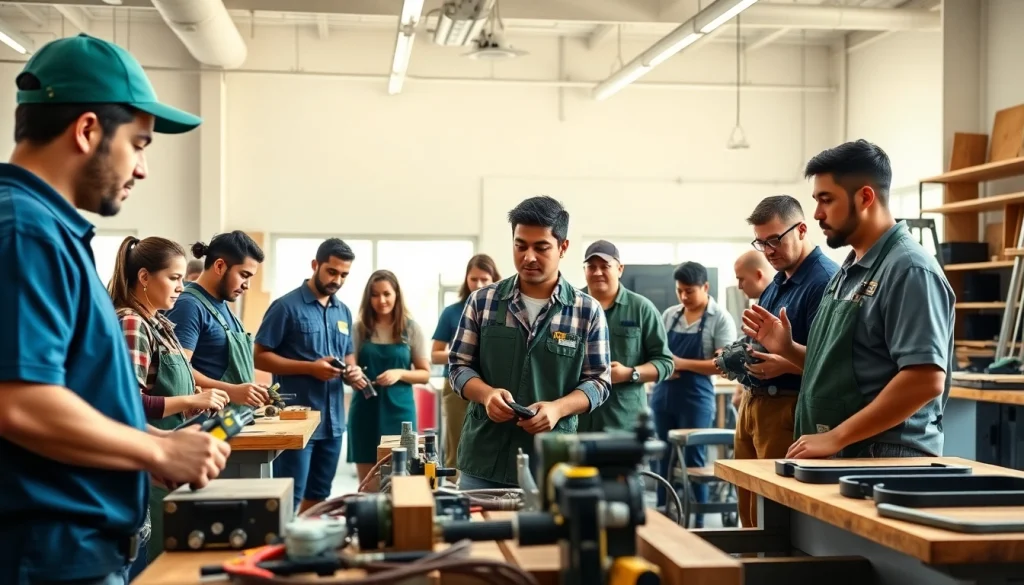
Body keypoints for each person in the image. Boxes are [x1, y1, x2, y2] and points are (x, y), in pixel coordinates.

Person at [0, 33, 229, 585]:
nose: (143, 168)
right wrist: (156, 457)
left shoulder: (47, 230)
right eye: (140, 144)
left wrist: (161, 440)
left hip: (73, 553)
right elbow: (18, 404)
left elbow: (76, 397)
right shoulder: (25, 232)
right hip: (46, 558)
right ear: (86, 130)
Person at [742, 140, 955, 461]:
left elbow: (925, 379)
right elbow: (840, 370)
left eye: (826, 200)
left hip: (884, 456)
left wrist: (836, 436)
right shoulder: (850, 270)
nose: (816, 214)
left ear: (865, 197)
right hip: (847, 450)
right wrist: (787, 348)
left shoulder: (908, 269)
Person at [448, 196, 612, 491]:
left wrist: (558, 409)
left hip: (552, 463)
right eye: (520, 245)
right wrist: (486, 395)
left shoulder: (586, 311)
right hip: (484, 459)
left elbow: (599, 381)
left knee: (549, 538)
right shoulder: (483, 301)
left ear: (563, 248)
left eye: (541, 247)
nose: (529, 257)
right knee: (478, 536)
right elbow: (458, 367)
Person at [108, 235, 231, 566]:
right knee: (157, 566)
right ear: (145, 277)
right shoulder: (132, 323)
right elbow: (129, 405)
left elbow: (162, 386)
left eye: (182, 279)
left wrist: (190, 402)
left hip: (171, 454)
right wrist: (189, 399)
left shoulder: (158, 322)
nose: (181, 286)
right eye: (173, 278)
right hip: (152, 460)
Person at [732, 195, 838, 528]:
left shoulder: (823, 282)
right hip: (754, 405)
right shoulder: (778, 281)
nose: (768, 251)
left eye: (775, 240)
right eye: (761, 243)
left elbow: (832, 364)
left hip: (786, 409)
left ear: (803, 229)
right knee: (748, 511)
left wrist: (784, 363)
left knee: (774, 517)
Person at [254, 238, 357, 513]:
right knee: (289, 496)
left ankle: (306, 550)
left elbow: (348, 357)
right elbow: (259, 356)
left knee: (320, 496)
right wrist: (310, 368)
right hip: (296, 423)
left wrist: (353, 372)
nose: (337, 280)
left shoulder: (343, 311)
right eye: (332, 272)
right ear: (316, 265)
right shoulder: (285, 307)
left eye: (344, 275)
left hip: (334, 425)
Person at [651, 261, 737, 527]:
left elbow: (723, 366)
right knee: (662, 459)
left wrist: (682, 364)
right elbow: (660, 353)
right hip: (663, 395)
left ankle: (698, 523)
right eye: (680, 291)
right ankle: (662, 517)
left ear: (705, 287)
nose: (684, 297)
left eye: (689, 291)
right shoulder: (670, 315)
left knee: (694, 460)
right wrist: (666, 366)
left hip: (696, 398)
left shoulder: (719, 318)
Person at [165, 231, 270, 410]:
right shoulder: (189, 306)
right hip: (207, 426)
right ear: (220, 266)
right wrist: (232, 391)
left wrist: (251, 391)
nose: (247, 285)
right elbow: (178, 371)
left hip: (234, 421)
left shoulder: (221, 306)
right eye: (244, 275)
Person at [577, 240, 674, 432]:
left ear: (620, 269)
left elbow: (665, 363)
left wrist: (630, 373)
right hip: (578, 423)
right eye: (591, 267)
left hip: (624, 424)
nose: (597, 272)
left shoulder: (641, 309)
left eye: (605, 266)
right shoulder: (570, 306)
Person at [345, 270, 432, 483]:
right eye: (375, 295)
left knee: (402, 479)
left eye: (386, 293)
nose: (381, 300)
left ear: (396, 295)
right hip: (365, 411)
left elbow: (424, 374)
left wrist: (400, 372)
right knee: (368, 483)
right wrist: (351, 374)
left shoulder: (411, 329)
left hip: (400, 413)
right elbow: (348, 372)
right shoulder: (359, 330)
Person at [431, 254, 501, 476]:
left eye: (484, 279)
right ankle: (453, 497)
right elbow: (435, 355)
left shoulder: (502, 310)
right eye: (474, 279)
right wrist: (464, 353)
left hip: (493, 386)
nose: (478, 285)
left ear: (495, 279)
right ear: (466, 280)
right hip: (456, 386)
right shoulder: (452, 312)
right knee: (456, 445)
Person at [730, 250, 776, 409]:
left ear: (758, 275)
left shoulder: (777, 306)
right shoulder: (760, 304)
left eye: (741, 279)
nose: (739, 286)